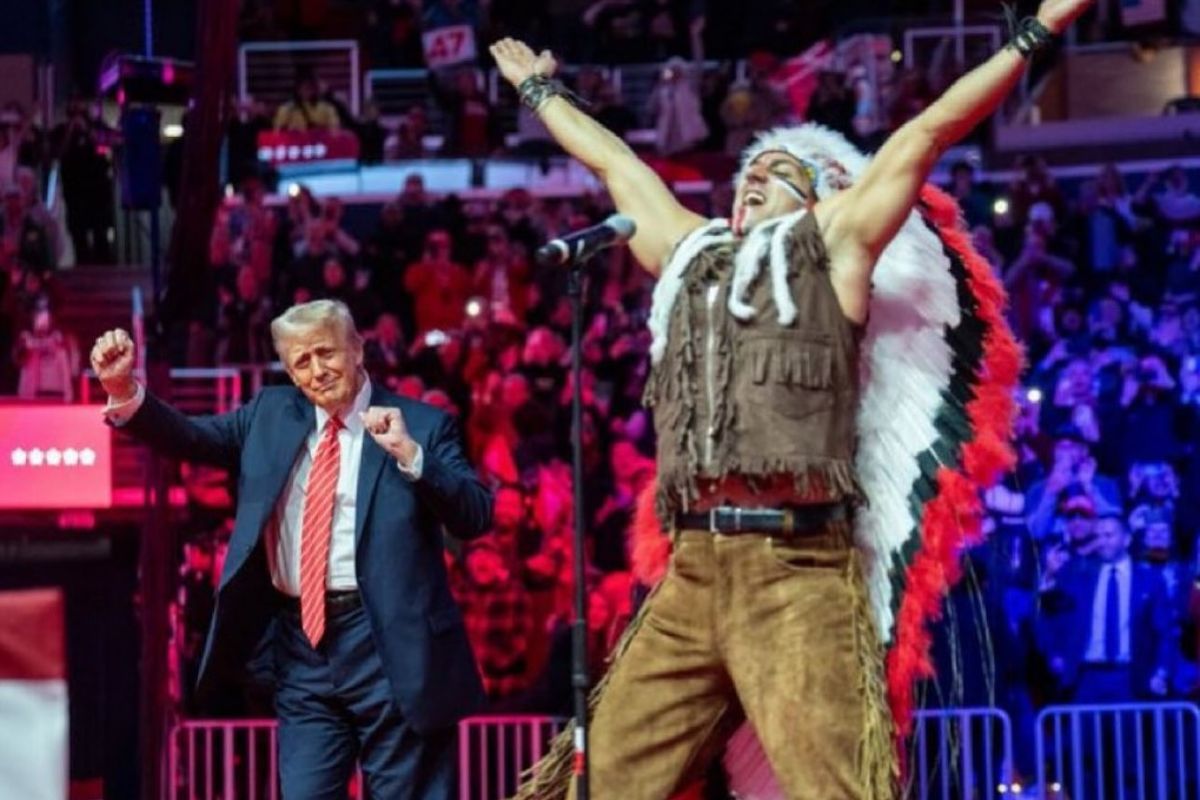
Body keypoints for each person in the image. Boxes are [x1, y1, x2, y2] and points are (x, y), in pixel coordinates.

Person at [491, 1, 1091, 796]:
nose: (753, 184)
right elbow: (618, 168)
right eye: (746, 175)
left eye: (778, 175)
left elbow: (925, 134)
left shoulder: (834, 245)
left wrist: (1035, 34)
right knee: (597, 783)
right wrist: (541, 96)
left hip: (798, 569)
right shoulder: (690, 254)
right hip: (694, 569)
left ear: (817, 198)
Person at [88, 299, 492, 798]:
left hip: (390, 648)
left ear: (357, 349)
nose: (317, 371)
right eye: (301, 361)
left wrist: (411, 455)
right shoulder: (270, 415)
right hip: (303, 649)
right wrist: (124, 390)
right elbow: (191, 437)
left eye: (326, 353)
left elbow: (476, 513)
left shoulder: (422, 424)